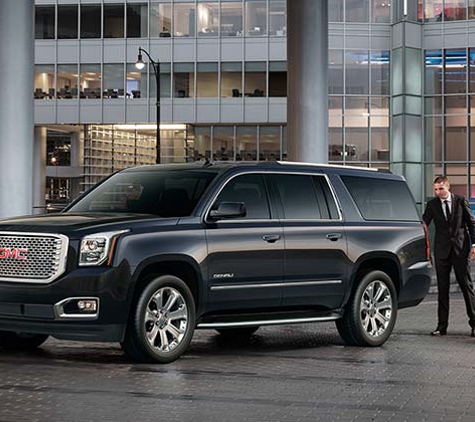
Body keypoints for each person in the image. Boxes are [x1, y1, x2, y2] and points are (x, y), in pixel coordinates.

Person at [423, 176, 475, 337]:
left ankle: (474, 324)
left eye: (441, 189)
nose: (438, 192)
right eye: (436, 189)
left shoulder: (460, 200)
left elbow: (472, 223)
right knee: (442, 289)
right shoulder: (432, 205)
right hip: (442, 251)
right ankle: (441, 326)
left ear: (448, 187)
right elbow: (424, 224)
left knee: (466, 287)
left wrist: (474, 245)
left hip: (460, 250)